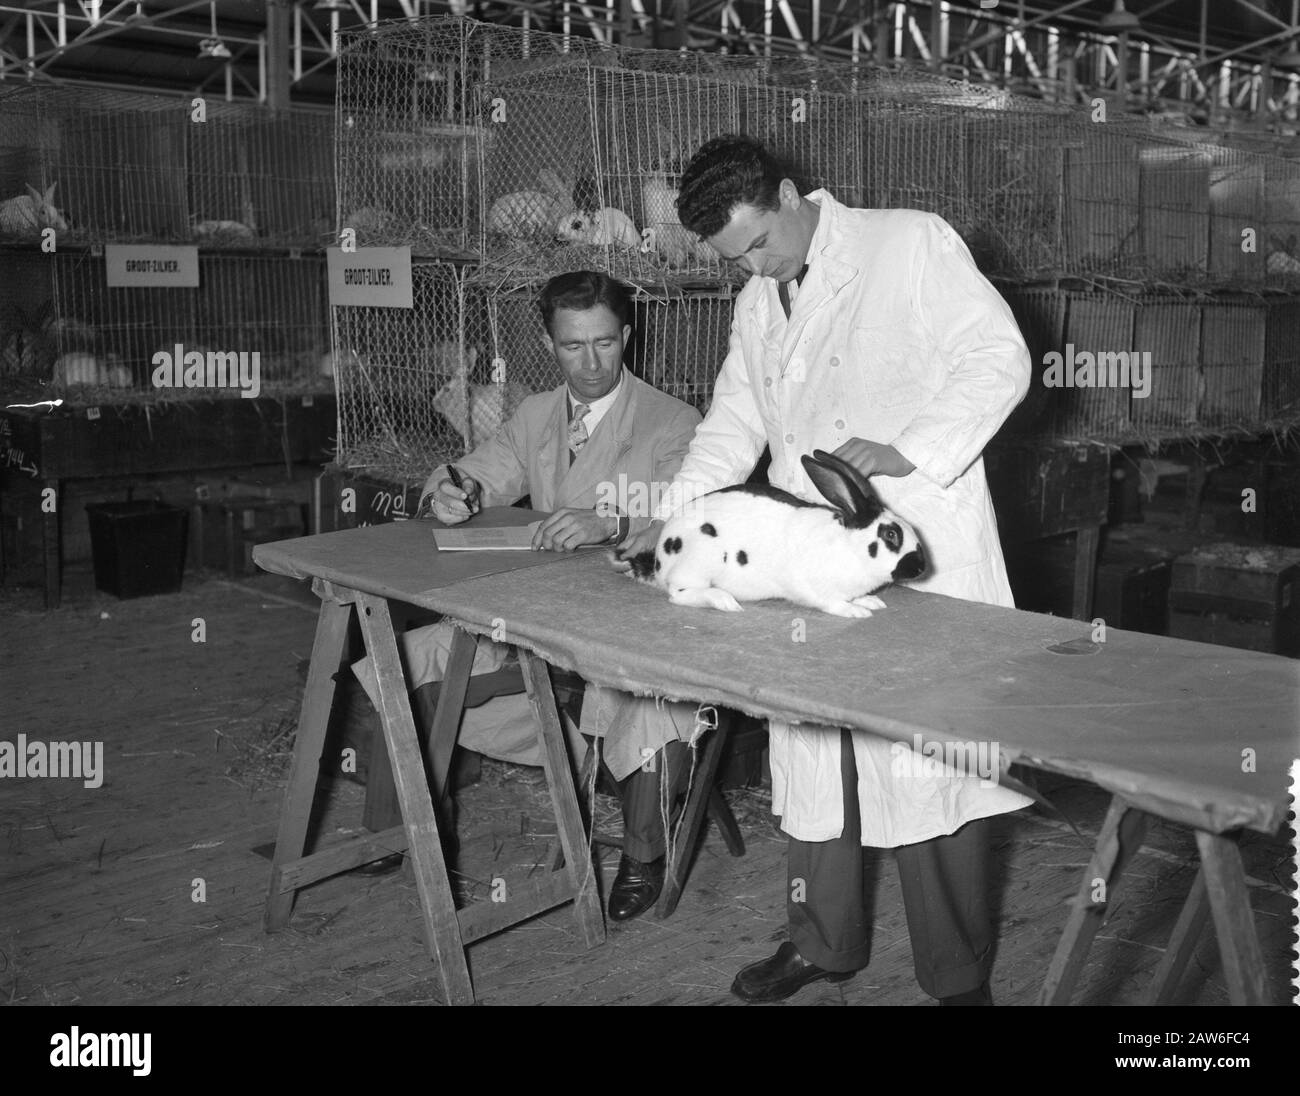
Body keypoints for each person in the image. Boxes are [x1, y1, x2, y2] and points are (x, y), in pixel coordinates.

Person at [618, 136, 1034, 1003]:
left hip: (914, 545)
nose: (755, 269)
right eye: (736, 260)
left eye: (758, 244)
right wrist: (672, 519)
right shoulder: (759, 298)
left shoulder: (908, 243)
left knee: (926, 766)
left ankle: (958, 976)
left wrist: (909, 449)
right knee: (815, 757)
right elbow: (733, 423)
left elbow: (999, 358)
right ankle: (823, 941)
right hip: (806, 558)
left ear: (787, 194)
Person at [354, 270, 706, 921]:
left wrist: (613, 522)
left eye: (605, 342)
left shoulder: (673, 422)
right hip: (534, 620)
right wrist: (451, 492)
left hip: (630, 622)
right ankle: (396, 830)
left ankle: (644, 853)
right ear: (548, 344)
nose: (591, 363)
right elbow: (475, 473)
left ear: (627, 335)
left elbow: (691, 516)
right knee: (403, 661)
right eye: (573, 346)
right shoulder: (536, 415)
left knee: (654, 703)